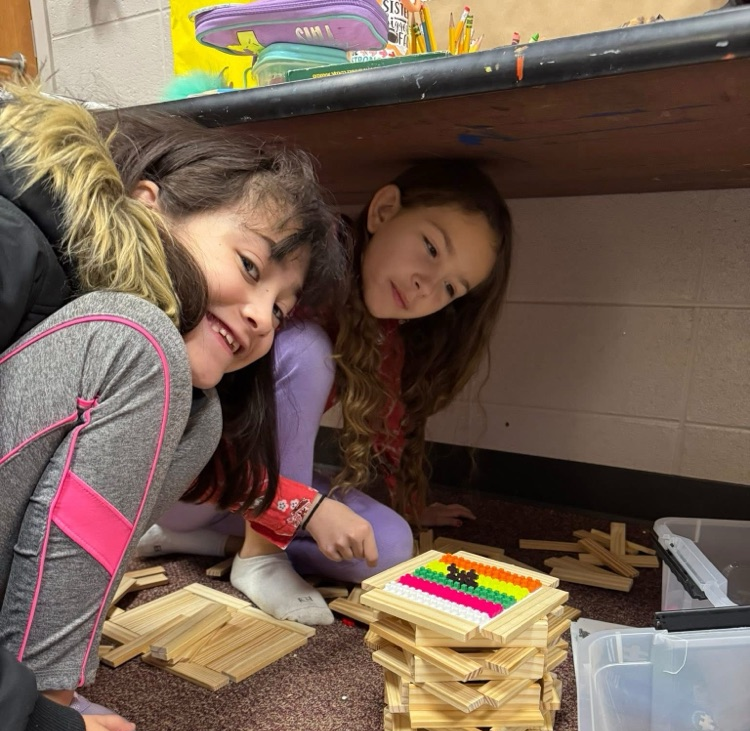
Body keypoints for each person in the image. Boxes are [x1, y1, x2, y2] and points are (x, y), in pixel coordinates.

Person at [0, 84, 346, 731]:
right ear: (146, 205)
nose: (260, 317)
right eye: (249, 267)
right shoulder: (11, 243)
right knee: (136, 345)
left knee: (196, 411)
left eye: (280, 309)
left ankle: (43, 699)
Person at [139, 160, 512, 627]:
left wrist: (407, 503)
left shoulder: (382, 329)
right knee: (307, 349)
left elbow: (389, 424)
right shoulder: (304, 273)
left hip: (242, 497)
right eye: (431, 248)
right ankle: (259, 557)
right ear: (384, 210)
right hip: (191, 482)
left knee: (390, 545)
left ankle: (210, 543)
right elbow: (214, 438)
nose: (426, 286)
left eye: (451, 288)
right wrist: (307, 508)